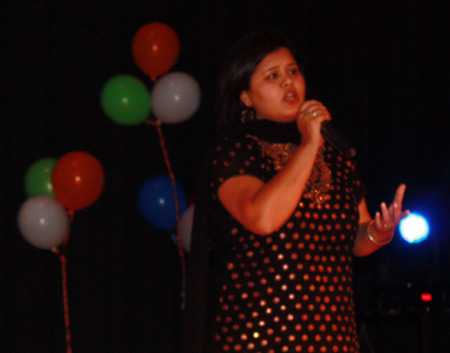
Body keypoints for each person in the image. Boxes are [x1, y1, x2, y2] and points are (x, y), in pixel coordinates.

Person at [182, 31, 409, 353]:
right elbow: (262, 218)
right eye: (272, 76)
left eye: (292, 71)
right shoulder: (234, 150)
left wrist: (379, 232)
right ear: (245, 96)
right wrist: (309, 145)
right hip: (260, 336)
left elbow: (356, 240)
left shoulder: (335, 157)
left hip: (332, 336)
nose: (288, 82)